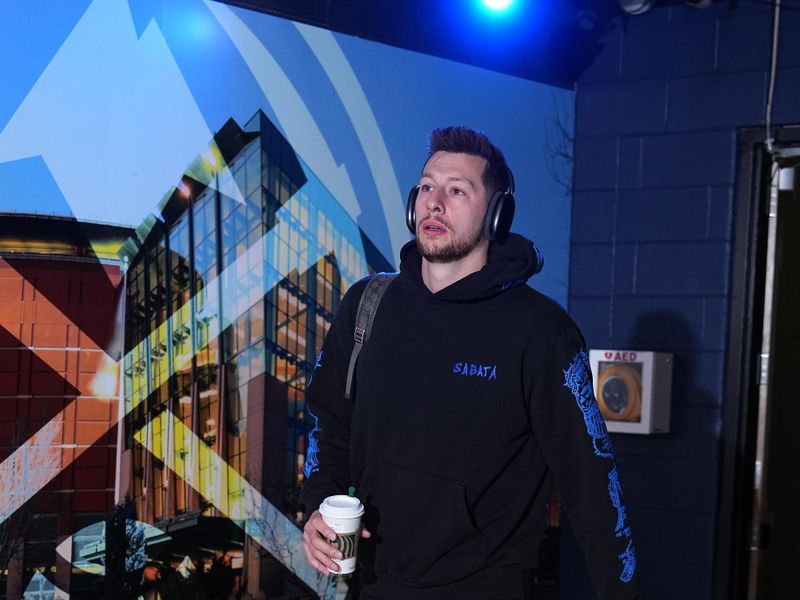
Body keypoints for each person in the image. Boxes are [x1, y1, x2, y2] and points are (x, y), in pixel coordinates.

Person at [301, 127, 638, 599]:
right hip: (372, 585)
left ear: (497, 215)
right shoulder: (367, 306)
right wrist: (319, 503)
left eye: (457, 190)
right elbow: (328, 421)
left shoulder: (540, 332)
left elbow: (591, 482)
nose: (433, 203)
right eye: (426, 186)